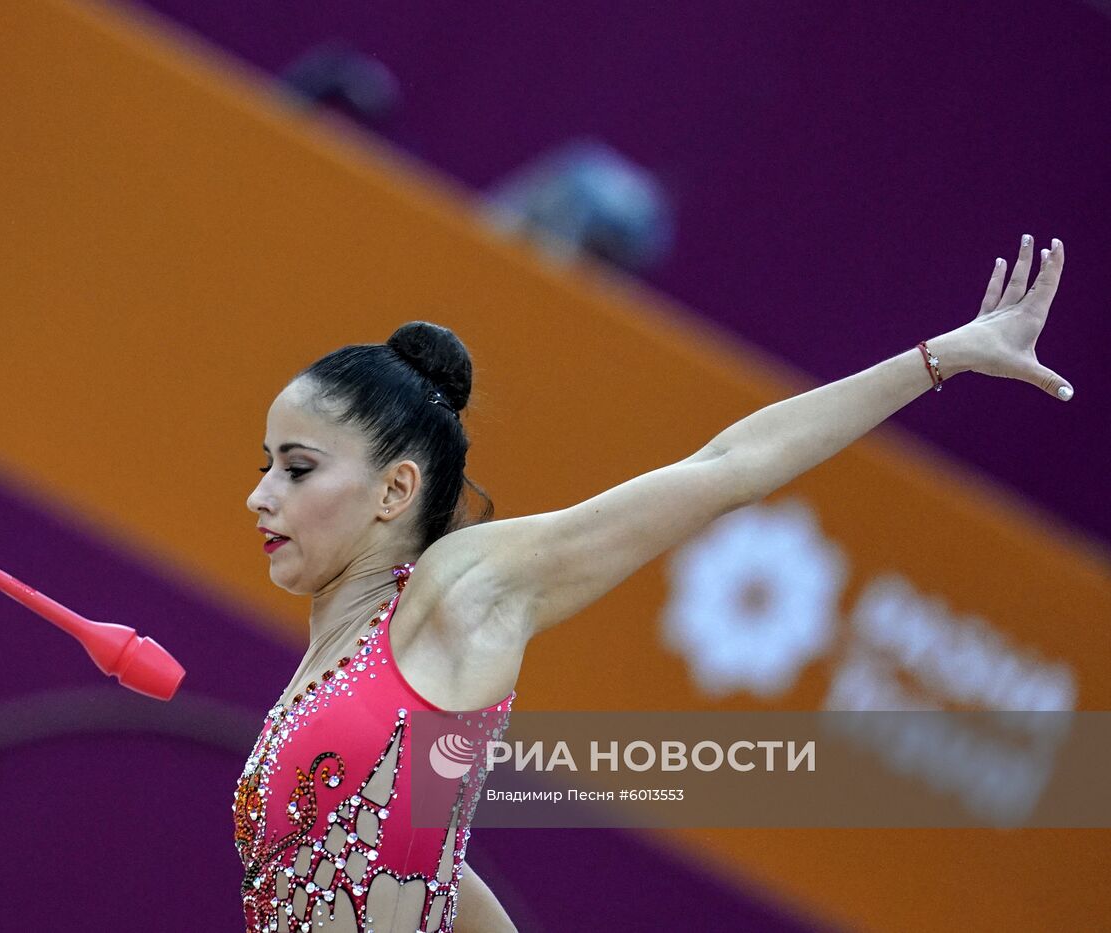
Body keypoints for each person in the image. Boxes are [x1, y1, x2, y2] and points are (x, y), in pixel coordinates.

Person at [233, 235, 1071, 932]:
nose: (261, 494)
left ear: (396, 490)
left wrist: (941, 358)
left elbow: (728, 467)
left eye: (299, 468)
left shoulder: (457, 595)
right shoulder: (324, 666)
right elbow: (435, 877)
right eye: (265, 463)